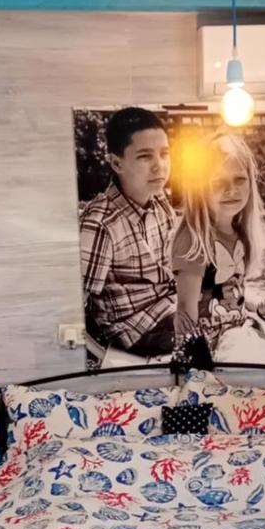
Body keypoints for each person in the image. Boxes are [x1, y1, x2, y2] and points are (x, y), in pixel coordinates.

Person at [172, 128, 265, 362]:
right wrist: (194, 364)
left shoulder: (238, 234)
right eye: (219, 182)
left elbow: (233, 295)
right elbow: (185, 308)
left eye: (240, 179)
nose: (232, 190)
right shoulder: (194, 239)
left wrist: (259, 305)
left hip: (238, 333)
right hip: (212, 348)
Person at [79, 107, 176, 363]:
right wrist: (105, 359)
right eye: (145, 156)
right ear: (116, 163)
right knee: (213, 327)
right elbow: (75, 306)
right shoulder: (101, 223)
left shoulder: (159, 201)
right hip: (134, 330)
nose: (159, 166)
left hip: (168, 308)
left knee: (230, 308)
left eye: (164, 153)